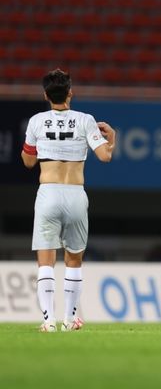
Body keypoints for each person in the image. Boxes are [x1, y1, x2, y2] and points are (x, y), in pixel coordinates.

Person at [21, 69, 116, 332]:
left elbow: (28, 162)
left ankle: (48, 321)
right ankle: (70, 319)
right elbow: (105, 156)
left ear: (45, 95)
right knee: (74, 261)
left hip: (48, 192)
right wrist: (113, 139)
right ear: (70, 93)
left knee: (46, 261)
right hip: (75, 192)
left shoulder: (36, 121)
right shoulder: (85, 120)